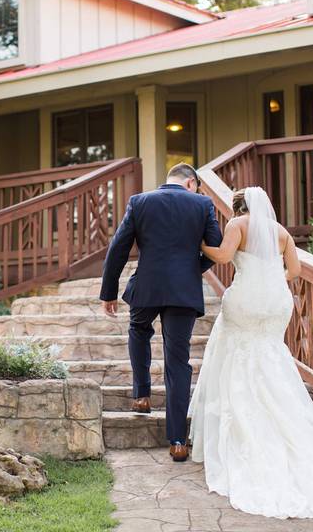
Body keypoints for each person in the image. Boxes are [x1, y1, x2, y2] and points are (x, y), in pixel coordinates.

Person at [189, 186, 313, 519]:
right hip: (275, 301)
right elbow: (296, 271)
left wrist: (199, 243)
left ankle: (241, 425)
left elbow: (224, 256)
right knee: (271, 355)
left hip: (246, 297)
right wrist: (270, 276)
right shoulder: (282, 232)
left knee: (237, 354)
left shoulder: (238, 225)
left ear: (238, 206)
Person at [99, 162, 222, 462]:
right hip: (183, 291)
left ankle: (141, 395)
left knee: (138, 331)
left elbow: (117, 248)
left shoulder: (140, 202)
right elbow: (216, 246)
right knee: (178, 361)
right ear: (191, 183)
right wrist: (192, 269)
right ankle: (178, 441)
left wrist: (109, 292)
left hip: (147, 288)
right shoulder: (203, 204)